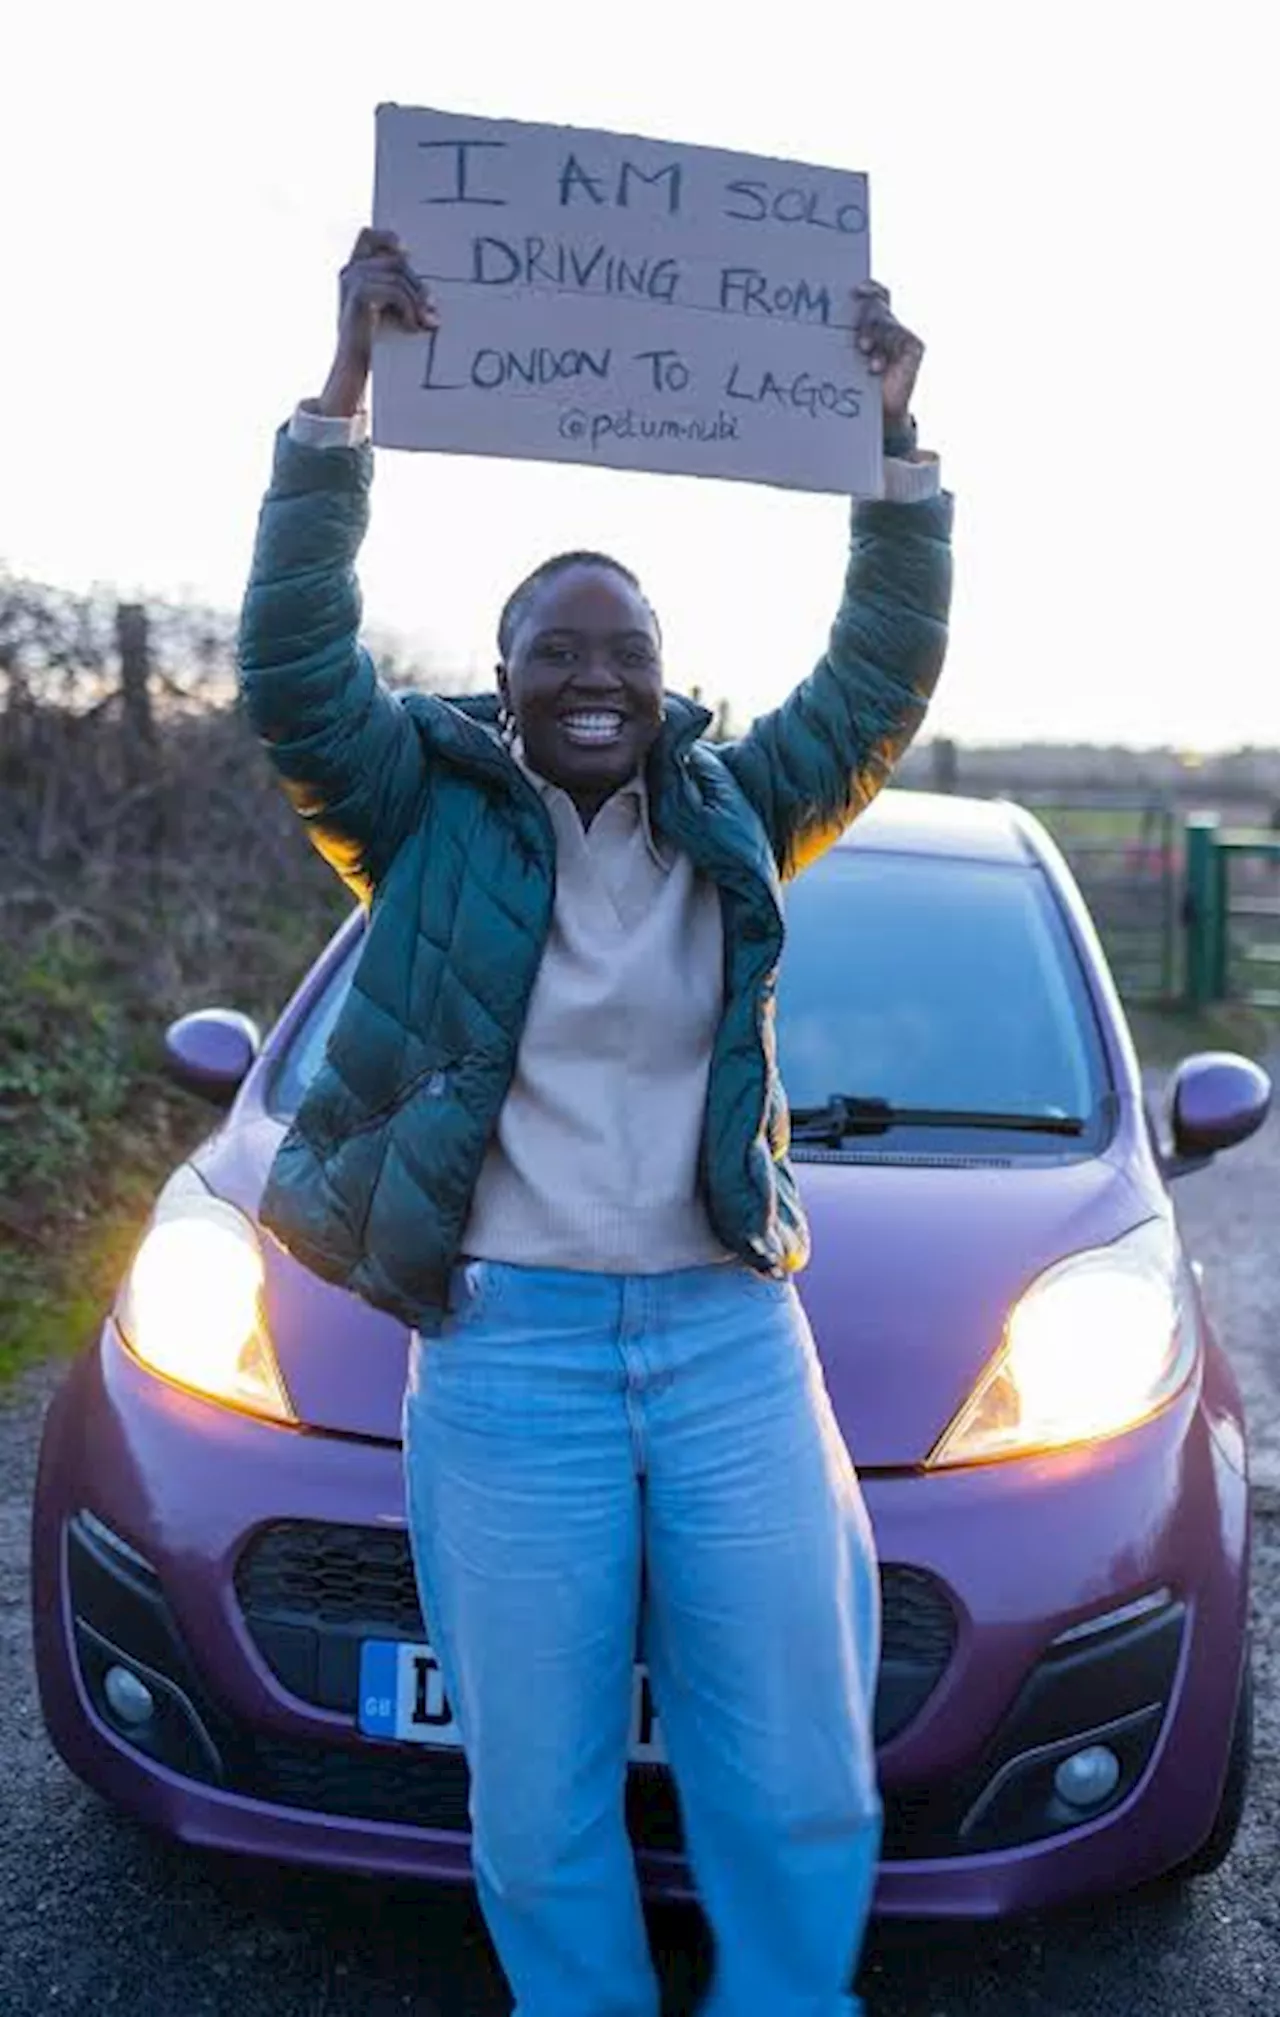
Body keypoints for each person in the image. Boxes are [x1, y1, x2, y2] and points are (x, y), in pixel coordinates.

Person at [238, 226, 952, 2017]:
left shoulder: (735, 811)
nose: (591, 679)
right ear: (502, 675)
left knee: (794, 1764)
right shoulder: (423, 814)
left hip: (724, 1340)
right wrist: (342, 402)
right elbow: (290, 674)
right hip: (512, 1354)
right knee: (539, 1793)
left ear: (660, 670)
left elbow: (876, 682)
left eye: (620, 650)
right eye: (555, 652)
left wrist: (895, 454)